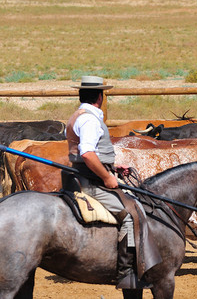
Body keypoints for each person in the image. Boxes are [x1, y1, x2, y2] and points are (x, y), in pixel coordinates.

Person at [66, 75, 157, 289]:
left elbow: (87, 154)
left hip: (86, 173)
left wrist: (112, 168)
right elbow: (87, 154)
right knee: (130, 214)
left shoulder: (79, 115)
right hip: (90, 181)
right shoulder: (89, 119)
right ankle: (126, 273)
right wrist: (107, 177)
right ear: (100, 96)